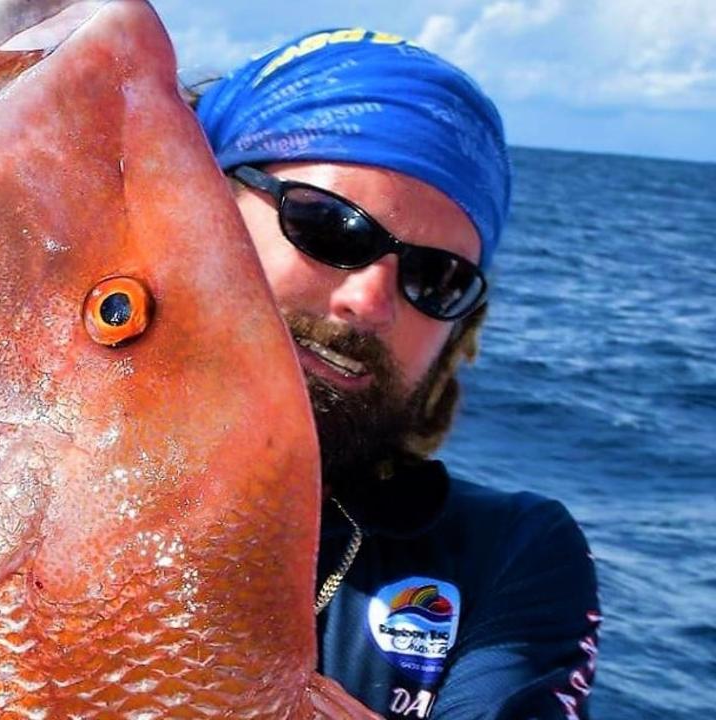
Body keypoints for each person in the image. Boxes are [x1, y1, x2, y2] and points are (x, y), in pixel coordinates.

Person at [193, 29, 601, 719]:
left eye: (435, 279)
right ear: (196, 208)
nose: (371, 302)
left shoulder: (508, 555)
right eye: (328, 227)